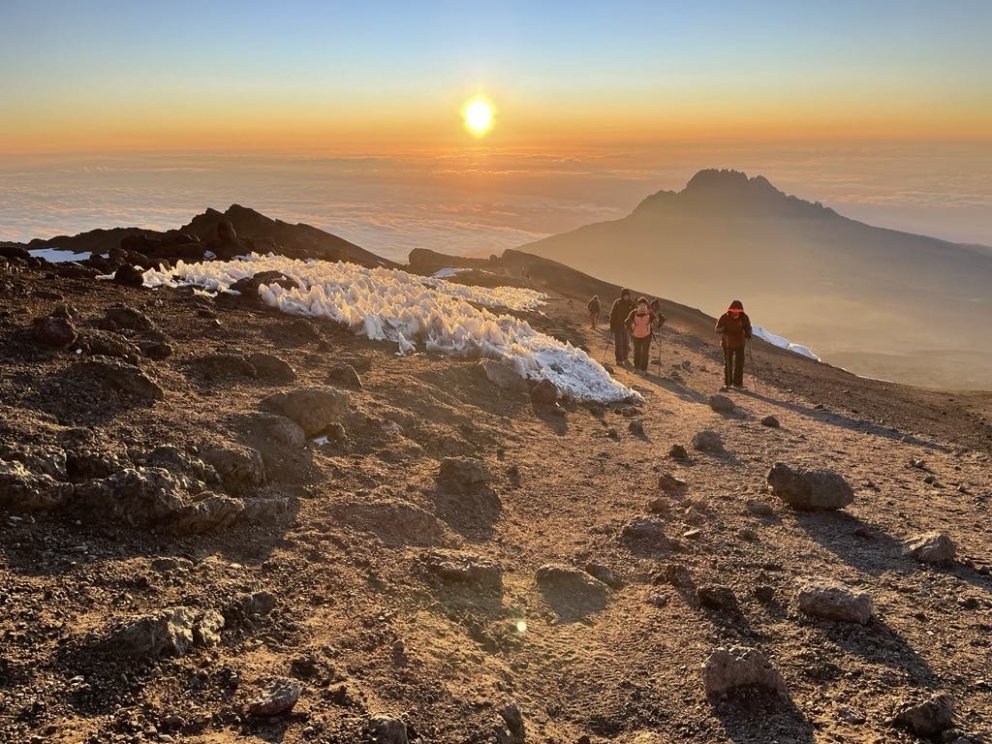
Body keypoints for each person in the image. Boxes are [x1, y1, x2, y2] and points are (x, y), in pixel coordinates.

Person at [715, 299, 752, 389]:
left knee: (739, 363)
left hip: (740, 343)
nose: (735, 313)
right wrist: (722, 329)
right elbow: (717, 329)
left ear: (741, 311)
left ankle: (737, 384)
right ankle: (728, 383)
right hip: (727, 343)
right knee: (728, 363)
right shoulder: (724, 317)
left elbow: (748, 327)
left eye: (738, 311)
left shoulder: (744, 317)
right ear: (730, 310)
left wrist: (748, 333)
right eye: (734, 311)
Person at [626, 296, 658, 371]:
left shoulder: (650, 313)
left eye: (644, 305)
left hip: (647, 335)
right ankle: (636, 366)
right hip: (636, 335)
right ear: (638, 305)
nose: (642, 306)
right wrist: (631, 330)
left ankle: (643, 369)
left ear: (646, 305)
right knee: (637, 351)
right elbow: (627, 322)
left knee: (644, 352)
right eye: (641, 305)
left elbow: (656, 322)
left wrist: (659, 322)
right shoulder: (633, 312)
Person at [609, 288, 635, 365]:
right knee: (618, 343)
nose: (626, 297)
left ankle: (625, 356)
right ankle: (619, 360)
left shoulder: (632, 304)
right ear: (622, 295)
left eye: (627, 295)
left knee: (625, 342)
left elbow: (635, 315)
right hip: (617, 326)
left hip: (627, 327)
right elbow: (613, 314)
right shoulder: (617, 303)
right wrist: (612, 325)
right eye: (625, 295)